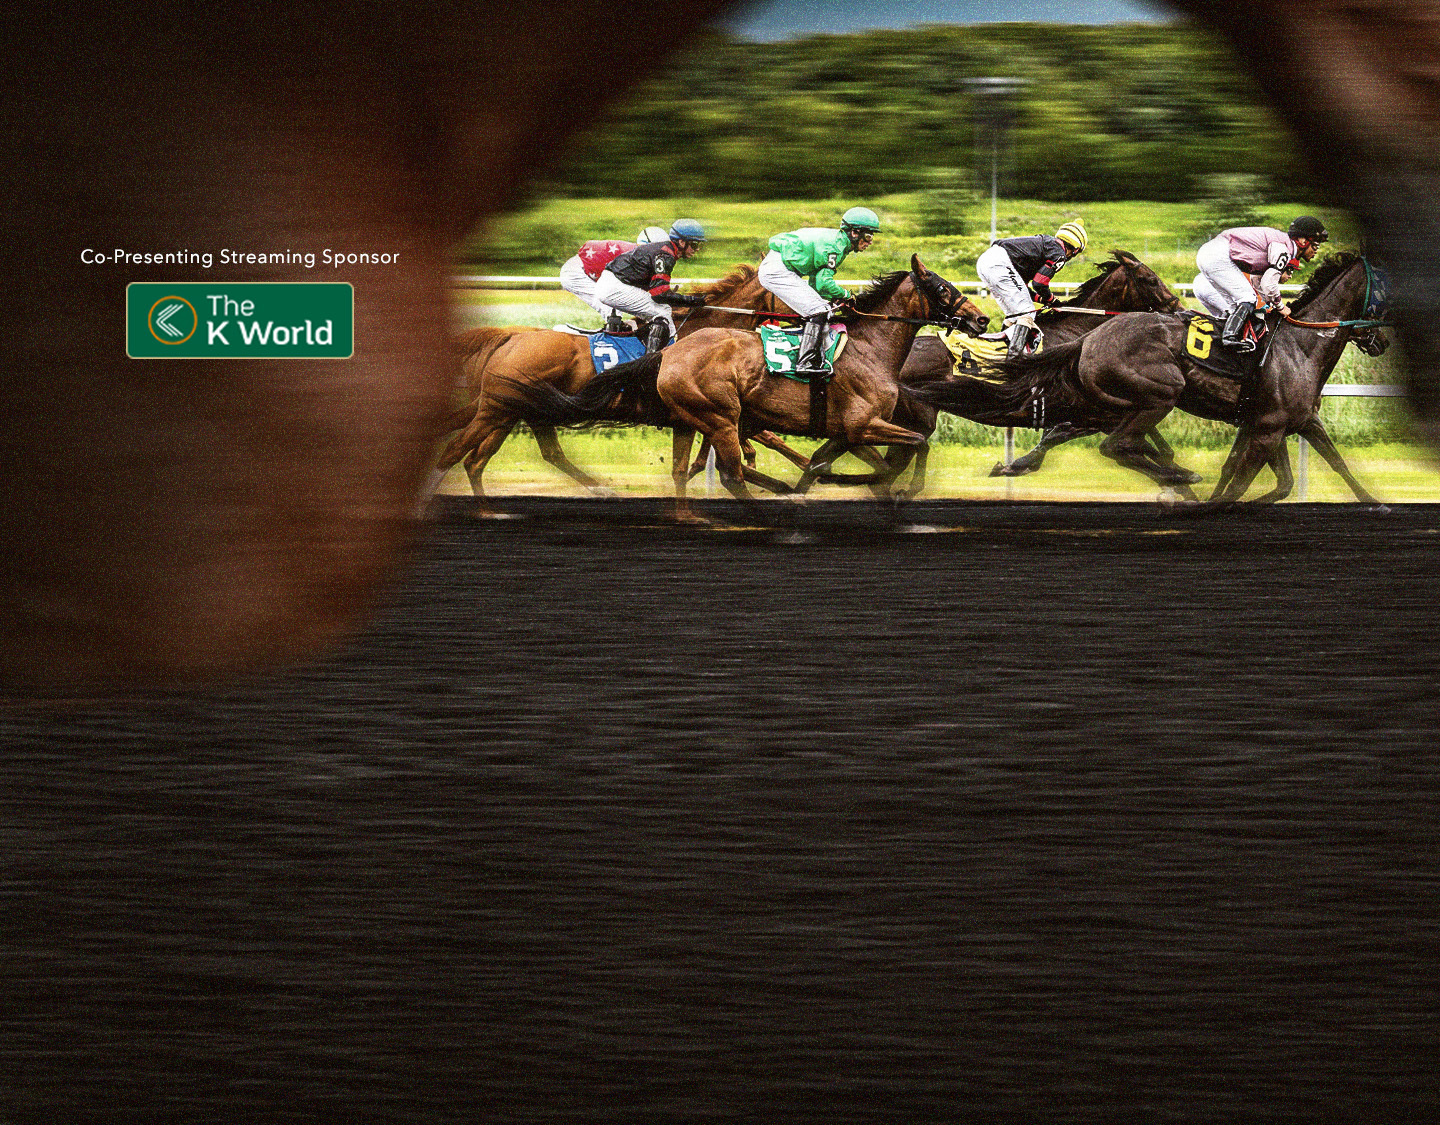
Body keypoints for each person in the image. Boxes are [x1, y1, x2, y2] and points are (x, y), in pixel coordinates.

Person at [757, 206, 882, 379]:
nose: (870, 242)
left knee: (822, 307)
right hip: (777, 271)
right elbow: (824, 283)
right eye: (868, 236)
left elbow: (816, 283)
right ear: (854, 233)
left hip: (780, 267)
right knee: (820, 310)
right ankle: (805, 363)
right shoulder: (835, 247)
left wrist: (833, 299)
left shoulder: (839, 243)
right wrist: (846, 295)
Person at [1193, 216, 1329, 351]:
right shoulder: (1285, 250)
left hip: (1210, 254)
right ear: (1302, 241)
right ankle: (1229, 339)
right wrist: (1280, 307)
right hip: (1218, 255)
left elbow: (1258, 281)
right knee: (1247, 298)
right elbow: (1269, 285)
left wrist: (1269, 305)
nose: (1316, 250)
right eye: (1315, 245)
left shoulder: (1282, 245)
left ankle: (1224, 344)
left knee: (1235, 308)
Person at [976, 220, 1088, 359]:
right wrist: (1052, 300)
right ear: (1075, 250)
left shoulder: (1046, 246)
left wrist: (1041, 299)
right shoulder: (1059, 253)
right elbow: (1040, 283)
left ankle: (1001, 353)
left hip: (986, 261)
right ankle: (1013, 362)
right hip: (1000, 264)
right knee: (1027, 314)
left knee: (1014, 314)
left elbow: (1023, 288)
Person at [593, 219, 708, 352]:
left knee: (661, 310)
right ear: (682, 242)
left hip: (613, 284)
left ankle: (648, 346)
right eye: (694, 244)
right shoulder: (666, 255)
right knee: (662, 311)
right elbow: (659, 295)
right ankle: (652, 360)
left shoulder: (666, 251)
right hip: (614, 287)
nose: (697, 249)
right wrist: (692, 301)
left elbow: (658, 291)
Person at [558, 226, 669, 333]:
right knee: (609, 303)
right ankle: (614, 332)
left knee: (617, 301)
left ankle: (616, 329)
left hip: (581, 268)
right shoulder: (636, 256)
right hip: (575, 272)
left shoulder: (637, 254)